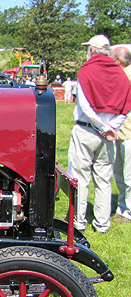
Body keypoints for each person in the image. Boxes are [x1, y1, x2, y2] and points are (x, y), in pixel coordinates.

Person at [67, 35, 131, 233]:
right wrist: (111, 127)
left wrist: (99, 126)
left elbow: (84, 105)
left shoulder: (86, 71)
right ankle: (102, 223)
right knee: (104, 179)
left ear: (92, 50)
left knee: (80, 176)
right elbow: (126, 107)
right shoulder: (120, 74)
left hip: (87, 130)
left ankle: (78, 220)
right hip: (110, 134)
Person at [110, 46, 131, 222]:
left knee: (128, 173)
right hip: (120, 131)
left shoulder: (127, 76)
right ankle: (123, 206)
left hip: (128, 132)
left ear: (117, 61)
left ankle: (127, 210)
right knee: (120, 172)